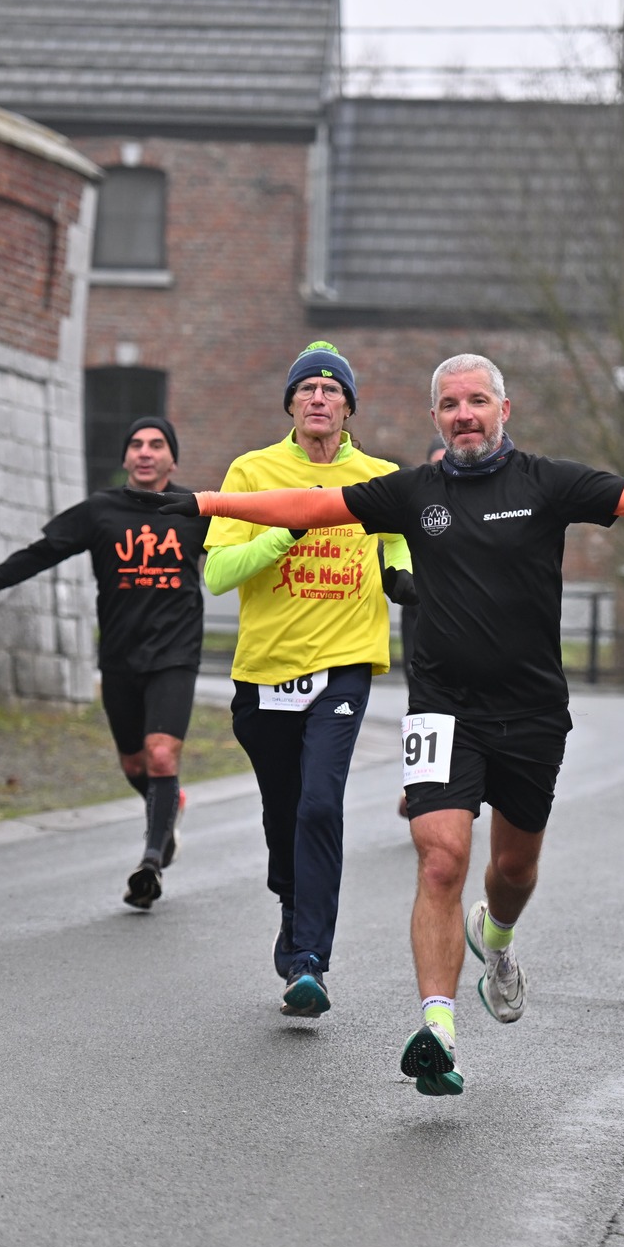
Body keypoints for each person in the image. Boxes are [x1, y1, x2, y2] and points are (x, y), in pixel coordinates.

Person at [159, 353, 624, 1092]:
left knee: (512, 870)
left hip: (531, 712)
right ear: (435, 418)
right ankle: (437, 1030)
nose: (463, 414)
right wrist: (203, 505)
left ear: (503, 409)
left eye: (477, 401)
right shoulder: (411, 491)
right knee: (439, 859)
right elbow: (308, 508)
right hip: (443, 706)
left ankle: (498, 935)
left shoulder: (547, 484)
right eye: (450, 404)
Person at [201, 342, 416, 1018]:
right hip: (264, 672)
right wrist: (283, 533)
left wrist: (406, 579)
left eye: (331, 389)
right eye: (307, 389)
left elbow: (400, 548)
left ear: (349, 406)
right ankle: (293, 904)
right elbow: (216, 575)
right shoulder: (252, 471)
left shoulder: (380, 476)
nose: (318, 398)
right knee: (283, 813)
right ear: (290, 403)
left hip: (344, 668)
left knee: (321, 805)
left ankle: (309, 961)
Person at [0, 418, 209, 910]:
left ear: (172, 459)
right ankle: (166, 806)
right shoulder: (100, 510)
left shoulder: (195, 511)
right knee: (133, 762)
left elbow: (253, 548)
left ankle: (151, 860)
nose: (145, 452)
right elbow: (44, 552)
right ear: (125, 459)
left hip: (175, 654)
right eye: (136, 444)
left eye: (157, 445)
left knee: (162, 754)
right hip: (120, 656)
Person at [396, 437, 446, 819]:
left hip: (471, 625)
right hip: (421, 618)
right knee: (424, 702)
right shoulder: (418, 504)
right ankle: (417, 786)